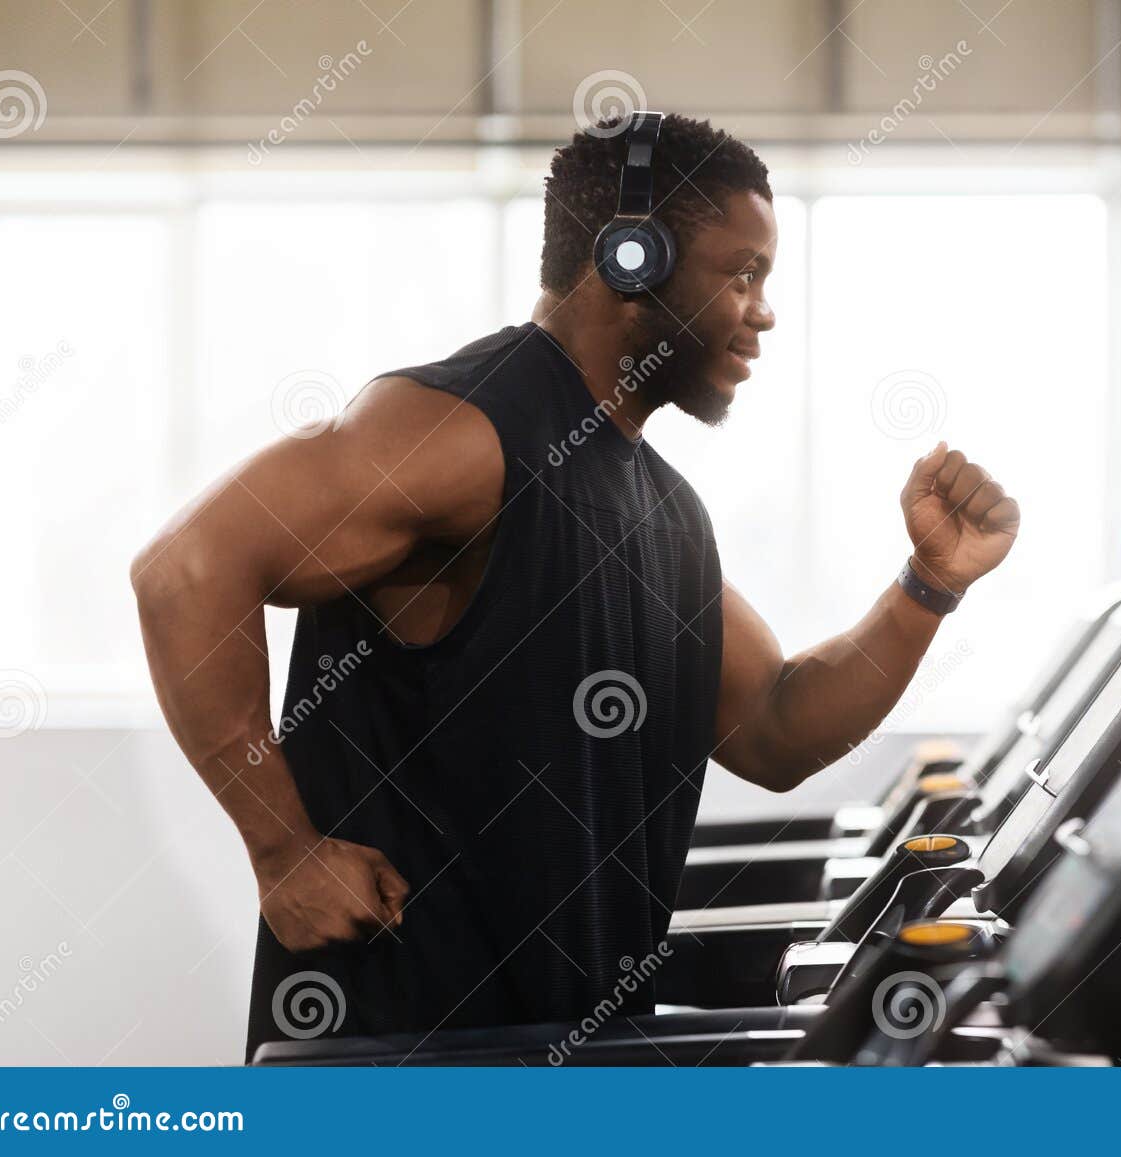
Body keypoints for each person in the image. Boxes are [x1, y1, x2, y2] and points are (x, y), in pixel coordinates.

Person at [131, 113, 1020, 1059]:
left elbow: (775, 725)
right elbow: (186, 568)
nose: (762, 311)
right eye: (742, 272)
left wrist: (927, 584)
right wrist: (283, 848)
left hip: (564, 1053)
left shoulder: (662, 507)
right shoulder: (459, 428)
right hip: (410, 1064)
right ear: (632, 260)